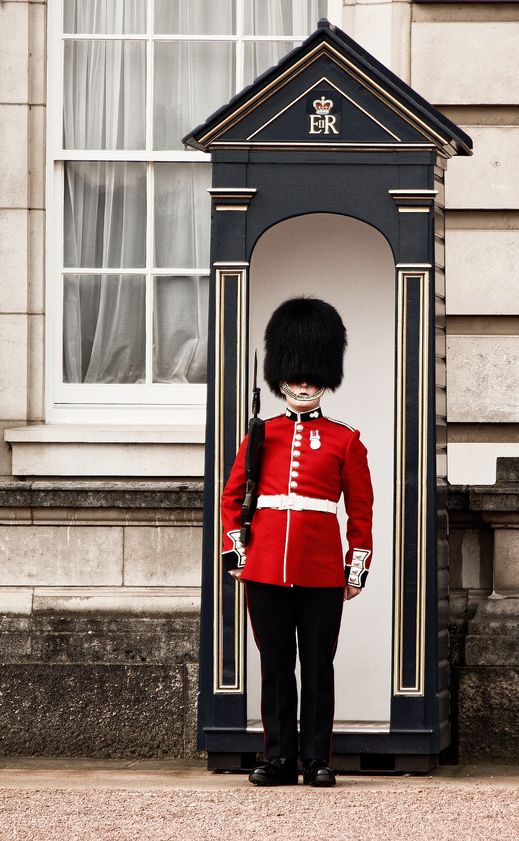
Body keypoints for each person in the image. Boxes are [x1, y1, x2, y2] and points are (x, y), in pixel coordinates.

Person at [221, 297, 374, 788]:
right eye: (296, 376)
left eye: (312, 377)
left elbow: (361, 512)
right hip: (265, 566)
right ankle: (279, 758)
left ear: (324, 379)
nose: (304, 385)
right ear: (281, 376)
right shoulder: (261, 434)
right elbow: (232, 497)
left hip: (321, 569)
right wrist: (238, 553)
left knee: (317, 667)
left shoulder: (344, 440)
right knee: (275, 667)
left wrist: (355, 569)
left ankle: (317, 759)